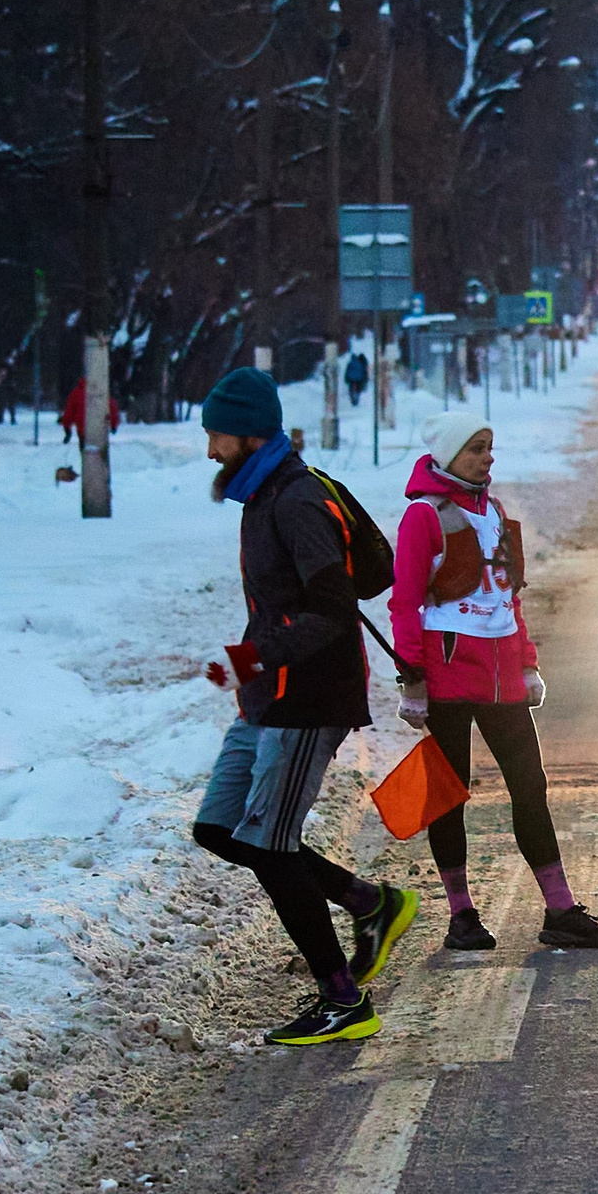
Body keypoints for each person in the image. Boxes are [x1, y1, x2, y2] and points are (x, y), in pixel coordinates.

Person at [195, 367, 416, 1045]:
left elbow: (330, 611)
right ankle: (369, 902)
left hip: (307, 698)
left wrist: (254, 658)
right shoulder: (262, 495)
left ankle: (344, 1000)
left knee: (270, 844)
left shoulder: (294, 501)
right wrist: (251, 667)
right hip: (266, 695)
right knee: (221, 828)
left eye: (217, 436)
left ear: (250, 433)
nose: (209, 451)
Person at [390, 411, 598, 952]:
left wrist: (527, 662)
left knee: (530, 788)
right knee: (449, 796)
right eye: (475, 448)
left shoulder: (493, 510)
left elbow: (508, 597)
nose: (487, 457)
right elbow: (403, 602)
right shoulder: (424, 517)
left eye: (489, 446)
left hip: (501, 680)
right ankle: (462, 916)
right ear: (448, 456)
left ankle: (561, 910)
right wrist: (412, 679)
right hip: (445, 678)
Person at [60, 377, 118, 448]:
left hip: (83, 431)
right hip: (100, 430)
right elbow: (112, 409)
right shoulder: (101, 392)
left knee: (85, 453)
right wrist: (113, 425)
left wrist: (67, 430)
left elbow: (69, 413)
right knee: (100, 454)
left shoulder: (75, 394)